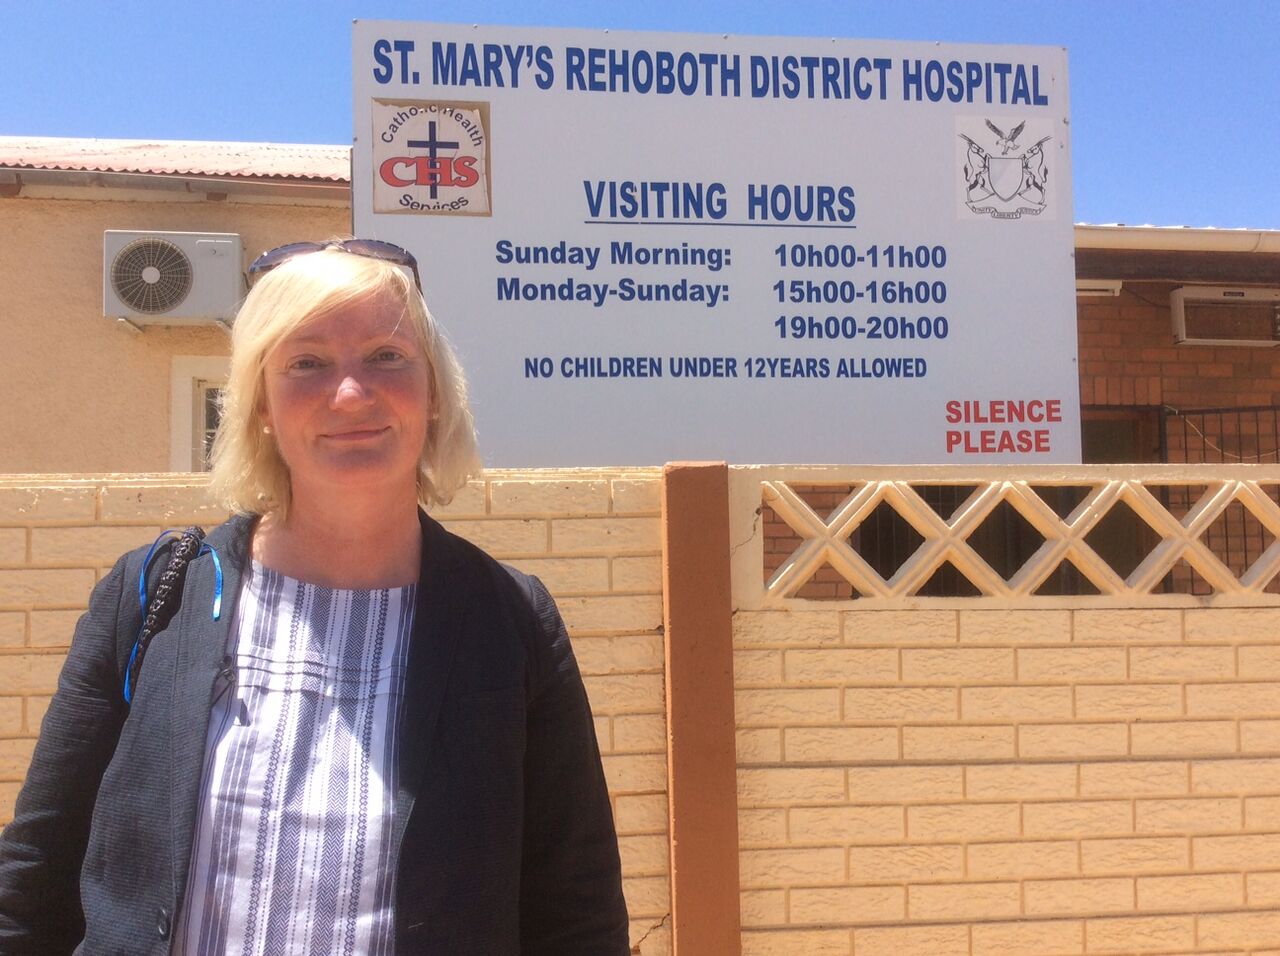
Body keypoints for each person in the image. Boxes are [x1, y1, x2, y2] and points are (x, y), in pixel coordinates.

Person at [0, 239, 630, 954]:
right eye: (307, 363)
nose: (352, 394)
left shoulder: (511, 622)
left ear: (434, 393)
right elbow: (36, 878)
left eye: (387, 356)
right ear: (261, 404)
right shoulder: (153, 598)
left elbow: (575, 909)